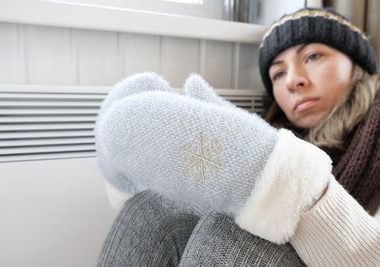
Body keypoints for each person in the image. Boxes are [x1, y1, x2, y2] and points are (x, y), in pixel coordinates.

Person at [95, 7, 380, 267]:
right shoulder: (280, 133)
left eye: (313, 56)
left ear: (356, 62)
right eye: (278, 73)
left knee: (233, 235)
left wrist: (291, 181)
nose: (293, 80)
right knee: (153, 207)